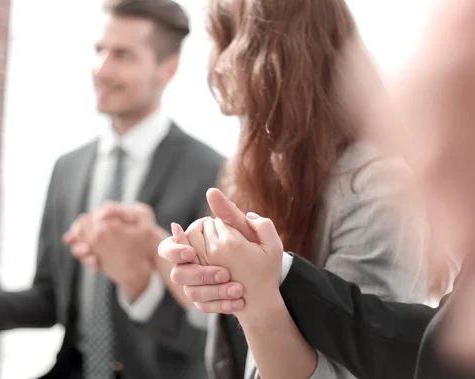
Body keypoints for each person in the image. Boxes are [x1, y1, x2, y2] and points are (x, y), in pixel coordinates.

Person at [159, 1, 475, 378]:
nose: (210, 62)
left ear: (258, 56)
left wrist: (257, 296)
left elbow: (365, 365)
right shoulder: (252, 170)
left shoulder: (375, 185)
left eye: (215, 38)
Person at [0, 1, 224, 379]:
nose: (102, 69)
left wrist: (140, 284)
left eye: (123, 55)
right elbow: (47, 300)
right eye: (100, 50)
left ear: (168, 68)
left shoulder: (210, 172)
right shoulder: (69, 168)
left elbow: (215, 327)